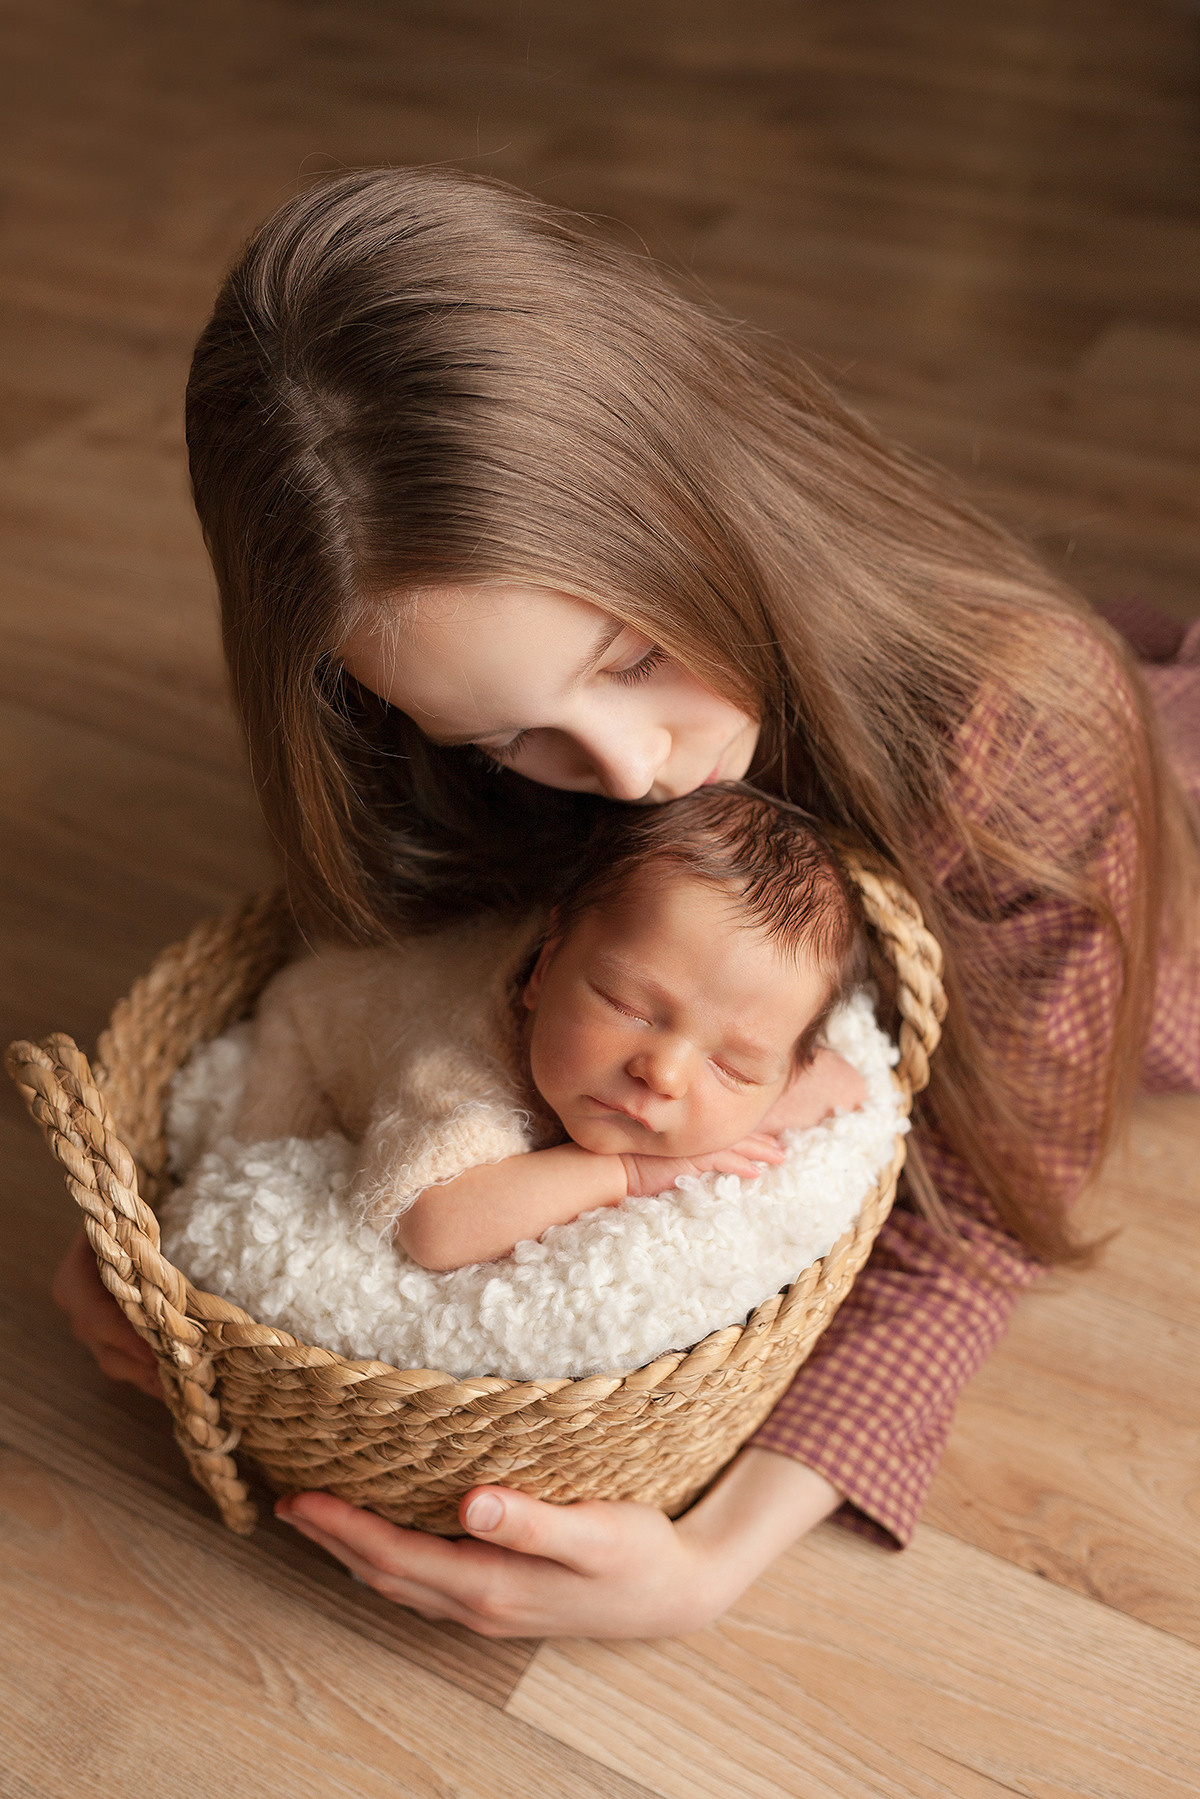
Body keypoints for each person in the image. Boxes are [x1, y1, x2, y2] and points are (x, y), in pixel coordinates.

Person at [53, 167, 1200, 1640]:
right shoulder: (442, 691)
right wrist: (158, 1247)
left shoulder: (1019, 761)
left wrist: (713, 1556)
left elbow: (981, 1207)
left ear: (691, 500)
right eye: (506, 735)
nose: (634, 773)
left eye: (636, 658)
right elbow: (401, 948)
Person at [229, 785, 868, 1272]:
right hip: (314, 1016)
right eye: (628, 1007)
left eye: (733, 1067)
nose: (665, 1074)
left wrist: (741, 1105)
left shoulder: (746, 1040)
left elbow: (845, 1086)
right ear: (543, 968)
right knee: (269, 1192)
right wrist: (629, 1173)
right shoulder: (460, 1067)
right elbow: (435, 1227)